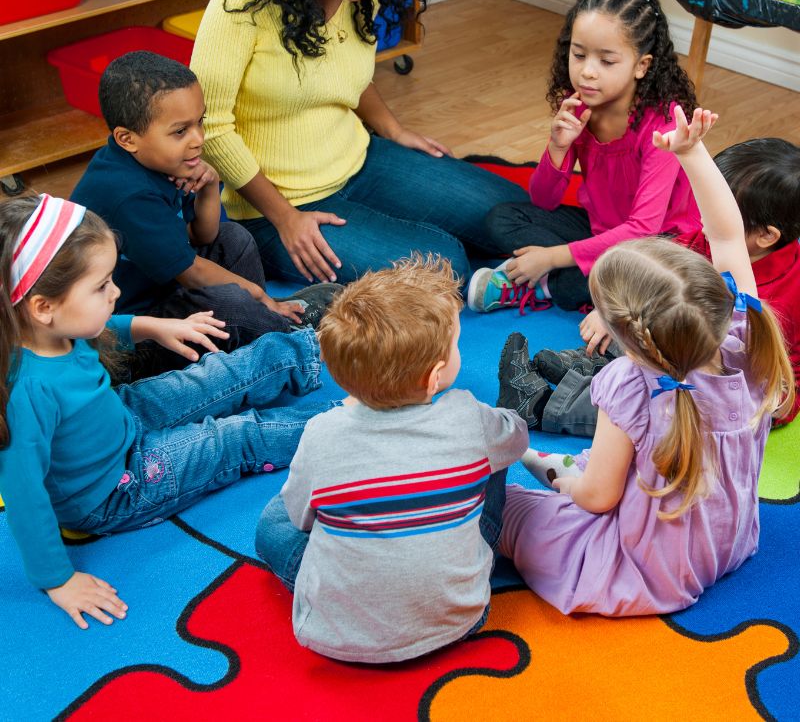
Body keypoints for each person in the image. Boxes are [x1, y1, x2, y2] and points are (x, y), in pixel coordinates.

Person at [498, 107, 795, 617]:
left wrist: (564, 488)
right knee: (604, 466)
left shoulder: (625, 385)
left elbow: (595, 500)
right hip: (729, 543)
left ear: (624, 340)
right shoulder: (750, 337)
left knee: (507, 509)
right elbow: (727, 237)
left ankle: (551, 469)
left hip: (647, 572)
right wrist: (691, 152)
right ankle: (558, 465)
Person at [190, 0, 521, 287]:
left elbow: (350, 74)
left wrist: (393, 130)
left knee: (511, 215)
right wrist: (286, 218)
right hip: (272, 205)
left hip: (358, 161)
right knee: (445, 268)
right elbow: (209, 125)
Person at [0, 195, 341, 629]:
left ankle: (327, 347)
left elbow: (102, 329)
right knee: (232, 438)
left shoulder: (56, 329)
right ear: (43, 307)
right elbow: (24, 494)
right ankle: (347, 425)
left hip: (121, 417)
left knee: (219, 374)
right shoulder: (27, 390)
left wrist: (152, 326)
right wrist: (57, 580)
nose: (116, 291)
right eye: (101, 286)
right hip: (115, 489)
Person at [254, 255, 528, 662]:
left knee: (273, 523)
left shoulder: (322, 432)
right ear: (435, 377)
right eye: (455, 345)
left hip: (337, 630)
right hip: (463, 616)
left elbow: (299, 520)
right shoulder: (467, 415)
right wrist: (502, 417)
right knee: (495, 447)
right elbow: (517, 438)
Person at [500, 136, 800, 432]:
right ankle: (591, 365)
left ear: (766, 236)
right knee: (641, 315)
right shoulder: (701, 241)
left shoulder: (788, 294)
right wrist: (612, 312)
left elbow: (764, 378)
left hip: (739, 391)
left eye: (713, 213)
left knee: (655, 402)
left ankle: (541, 406)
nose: (701, 219)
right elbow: (652, 273)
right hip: (683, 349)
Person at [72, 51, 340, 377]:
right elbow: (192, 273)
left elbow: (206, 236)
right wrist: (258, 296)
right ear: (127, 139)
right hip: (129, 337)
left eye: (200, 122)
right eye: (180, 131)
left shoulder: (160, 160)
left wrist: (210, 186)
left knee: (235, 239)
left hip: (161, 290)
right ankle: (283, 337)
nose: (198, 139)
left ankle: (264, 329)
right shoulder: (128, 194)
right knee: (233, 300)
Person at [467, 0, 700, 314]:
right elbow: (543, 200)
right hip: (599, 230)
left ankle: (544, 284)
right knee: (501, 219)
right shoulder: (578, 105)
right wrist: (557, 147)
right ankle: (582, 280)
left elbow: (642, 230)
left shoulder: (662, 125)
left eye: (606, 61)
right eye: (578, 55)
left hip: (658, 246)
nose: (587, 72)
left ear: (642, 65)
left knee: (643, 278)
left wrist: (550, 257)